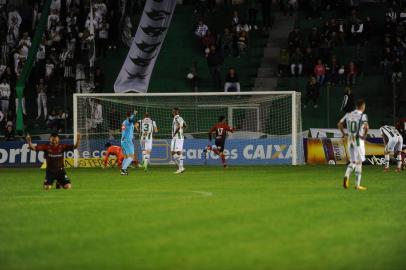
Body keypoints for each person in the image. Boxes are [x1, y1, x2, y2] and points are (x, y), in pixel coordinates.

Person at [337, 99, 369, 190]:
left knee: (353, 161)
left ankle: (346, 176)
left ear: (356, 106)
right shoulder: (363, 116)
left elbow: (339, 124)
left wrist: (343, 134)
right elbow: (367, 127)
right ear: (362, 106)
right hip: (358, 141)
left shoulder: (348, 114)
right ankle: (357, 185)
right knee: (359, 162)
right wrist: (365, 136)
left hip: (350, 140)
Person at [120, 110, 137, 176]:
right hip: (127, 141)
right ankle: (123, 170)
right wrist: (134, 114)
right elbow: (131, 120)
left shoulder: (124, 122)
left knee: (126, 157)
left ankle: (123, 170)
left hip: (123, 141)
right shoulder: (127, 121)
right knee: (131, 157)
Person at [171, 107, 187, 174]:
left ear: (175, 112)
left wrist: (174, 133)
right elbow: (185, 125)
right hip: (179, 137)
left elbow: (178, 127)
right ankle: (180, 167)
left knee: (177, 152)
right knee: (174, 152)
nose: (172, 112)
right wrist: (182, 131)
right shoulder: (180, 118)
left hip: (177, 137)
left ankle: (181, 168)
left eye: (173, 111)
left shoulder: (176, 118)